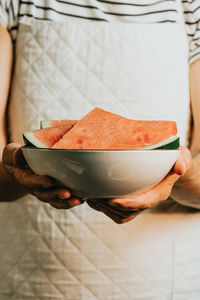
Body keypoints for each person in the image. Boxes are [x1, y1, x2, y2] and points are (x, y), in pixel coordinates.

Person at [0, 0, 199, 299]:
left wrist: (181, 174)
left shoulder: (191, 7)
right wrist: (16, 175)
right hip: (33, 277)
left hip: (162, 282)